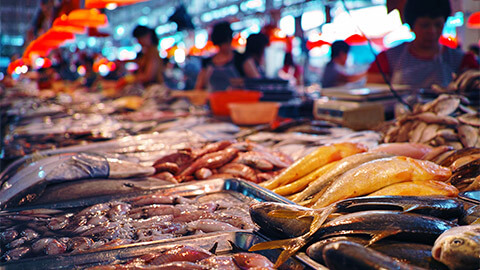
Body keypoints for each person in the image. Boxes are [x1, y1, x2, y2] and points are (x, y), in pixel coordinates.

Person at [368, 0, 479, 89]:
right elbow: (373, 93)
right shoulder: (387, 59)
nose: (432, 31)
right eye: (425, 25)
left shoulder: (463, 60)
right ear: (411, 26)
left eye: (438, 24)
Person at [194, 21, 243, 91]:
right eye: (222, 43)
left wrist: (241, 82)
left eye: (227, 42)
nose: (225, 46)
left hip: (238, 100)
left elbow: (254, 82)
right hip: (214, 100)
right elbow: (198, 87)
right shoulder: (207, 62)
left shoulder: (241, 59)